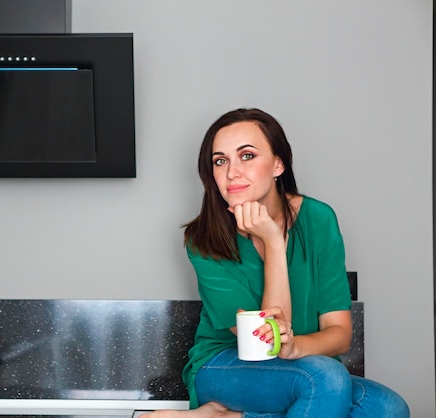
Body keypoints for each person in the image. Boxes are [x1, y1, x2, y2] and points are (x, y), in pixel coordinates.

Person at [143, 108, 409, 417]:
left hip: (307, 364)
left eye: (247, 156)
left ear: (278, 164)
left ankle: (227, 416)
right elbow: (262, 344)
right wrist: (272, 241)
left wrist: (296, 348)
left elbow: (339, 334)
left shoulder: (319, 219)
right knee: (324, 379)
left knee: (388, 409)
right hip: (224, 365)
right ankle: (222, 408)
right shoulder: (202, 239)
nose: (231, 173)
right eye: (220, 161)